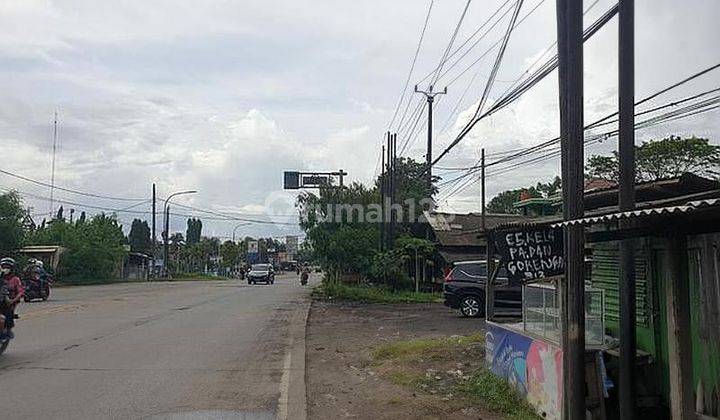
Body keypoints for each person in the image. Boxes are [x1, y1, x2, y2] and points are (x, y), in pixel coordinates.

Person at [0, 257, 24, 339]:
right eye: (4, 267)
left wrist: (13, 300)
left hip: (9, 302)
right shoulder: (1, 279)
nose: (5, 269)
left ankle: (6, 332)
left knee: (6, 316)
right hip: (1, 299)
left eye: (8, 267)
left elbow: (20, 292)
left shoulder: (15, 279)